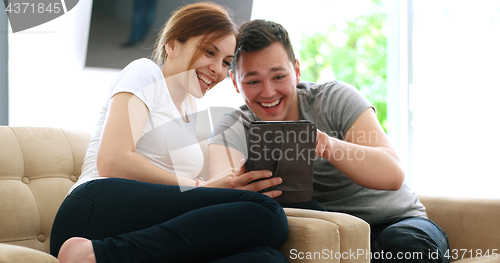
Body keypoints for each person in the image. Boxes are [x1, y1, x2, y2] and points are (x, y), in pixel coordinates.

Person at [50, 4, 289, 263]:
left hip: (140, 229)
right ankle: (94, 256)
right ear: (172, 45)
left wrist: (225, 183)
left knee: (267, 258)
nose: (218, 70)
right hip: (94, 209)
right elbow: (112, 161)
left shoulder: (191, 107)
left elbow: (181, 197)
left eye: (226, 63)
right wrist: (202, 188)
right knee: (269, 214)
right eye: (210, 52)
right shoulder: (145, 73)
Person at [208, 19, 450, 262]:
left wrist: (330, 146)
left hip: (399, 223)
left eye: (279, 76)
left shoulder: (334, 100)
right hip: (332, 236)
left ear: (297, 71)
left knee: (402, 247)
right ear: (235, 82)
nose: (268, 92)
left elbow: (393, 174)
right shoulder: (233, 127)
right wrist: (235, 187)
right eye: (253, 81)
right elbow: (215, 189)